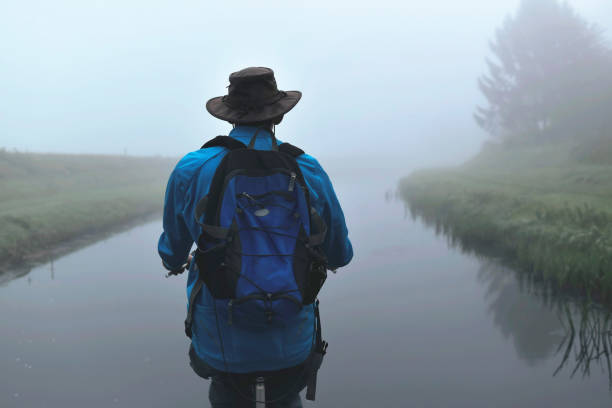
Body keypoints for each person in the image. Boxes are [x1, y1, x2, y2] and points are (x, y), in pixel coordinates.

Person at [158, 67, 353, 407]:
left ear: (229, 116)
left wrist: (177, 261)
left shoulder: (192, 168)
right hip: (292, 344)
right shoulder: (307, 168)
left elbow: (171, 250)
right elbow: (340, 254)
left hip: (220, 347)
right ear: (278, 115)